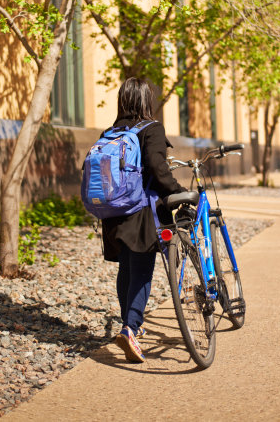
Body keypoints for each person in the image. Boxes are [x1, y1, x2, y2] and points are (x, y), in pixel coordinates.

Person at [101, 77, 185, 363]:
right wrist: (180, 193)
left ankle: (130, 324)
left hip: (113, 212)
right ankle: (131, 328)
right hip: (142, 212)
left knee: (126, 269)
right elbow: (159, 171)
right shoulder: (151, 129)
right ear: (146, 100)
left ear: (123, 100)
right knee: (142, 272)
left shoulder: (111, 132)